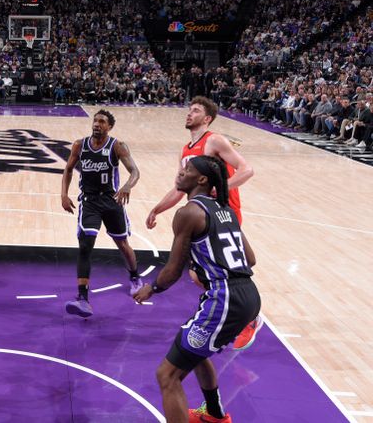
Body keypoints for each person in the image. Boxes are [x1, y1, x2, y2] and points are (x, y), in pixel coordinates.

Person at [134, 156, 261, 423]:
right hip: (248, 294)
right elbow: (249, 259)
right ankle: (215, 414)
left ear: (202, 179)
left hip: (224, 299)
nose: (181, 172)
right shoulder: (225, 209)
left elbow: (172, 271)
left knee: (167, 375)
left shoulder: (188, 213)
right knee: (193, 348)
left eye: (187, 169)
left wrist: (152, 288)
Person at [145, 96, 261, 350]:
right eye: (189, 109)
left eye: (195, 110)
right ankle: (230, 313)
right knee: (199, 274)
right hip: (204, 215)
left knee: (227, 269)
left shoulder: (214, 140)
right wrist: (158, 208)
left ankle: (249, 318)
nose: (189, 113)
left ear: (207, 118)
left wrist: (220, 190)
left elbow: (247, 169)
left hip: (223, 212)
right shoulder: (186, 150)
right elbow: (179, 188)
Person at [60, 109, 143, 318]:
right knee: (85, 244)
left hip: (112, 201)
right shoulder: (80, 145)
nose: (97, 124)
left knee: (123, 244)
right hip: (89, 201)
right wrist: (63, 194)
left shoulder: (116, 146)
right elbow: (68, 169)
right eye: (95, 120)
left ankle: (135, 277)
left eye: (102, 121)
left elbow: (135, 171)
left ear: (109, 126)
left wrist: (126, 186)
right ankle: (82, 298)